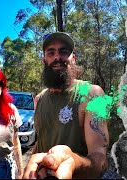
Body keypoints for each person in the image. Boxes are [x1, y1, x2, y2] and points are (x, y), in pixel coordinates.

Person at [23, 32, 110, 179]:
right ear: (44, 59)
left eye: (64, 52)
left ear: (73, 58)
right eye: (51, 52)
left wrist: (74, 163)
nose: (57, 57)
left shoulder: (93, 95)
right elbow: (40, 142)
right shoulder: (39, 99)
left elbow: (100, 159)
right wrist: (29, 168)